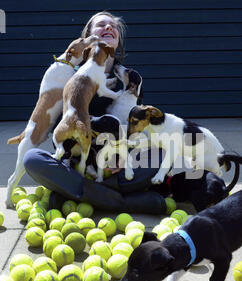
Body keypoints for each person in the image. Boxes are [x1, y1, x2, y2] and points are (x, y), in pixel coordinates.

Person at [23, 11, 167, 215]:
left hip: (115, 164)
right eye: (101, 25)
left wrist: (123, 157)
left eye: (113, 26)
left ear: (117, 40)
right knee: (32, 159)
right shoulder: (70, 75)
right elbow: (56, 130)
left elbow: (136, 129)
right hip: (78, 162)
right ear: (88, 37)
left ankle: (75, 192)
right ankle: (122, 201)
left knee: (163, 152)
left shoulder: (129, 80)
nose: (109, 27)